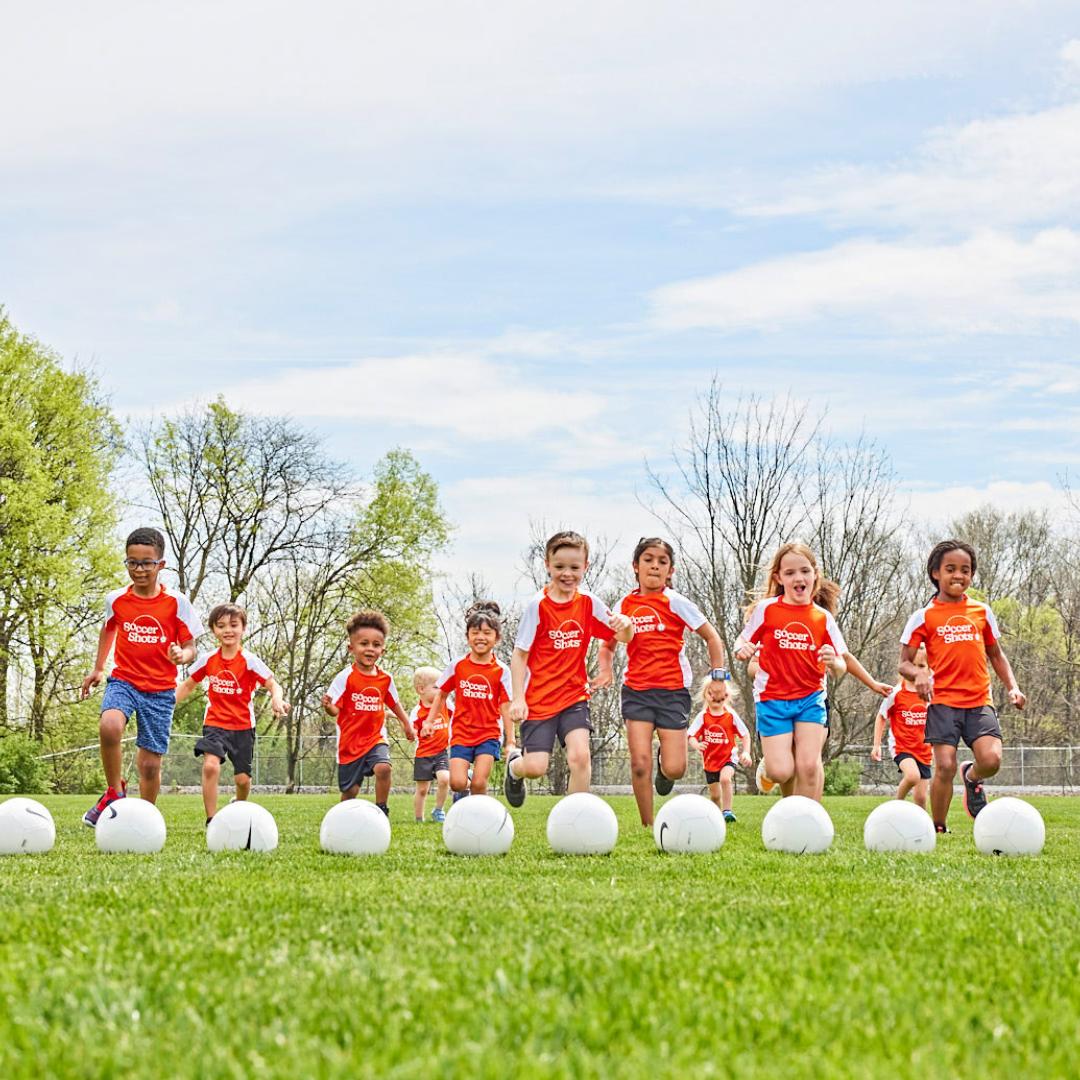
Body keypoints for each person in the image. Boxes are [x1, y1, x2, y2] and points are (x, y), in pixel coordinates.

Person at [734, 542, 890, 800]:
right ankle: (772, 763)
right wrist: (742, 648)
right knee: (782, 771)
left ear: (815, 574)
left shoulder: (823, 618)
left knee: (808, 765)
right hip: (772, 699)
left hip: (810, 698)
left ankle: (808, 818)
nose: (799, 578)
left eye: (805, 571)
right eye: (790, 573)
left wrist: (834, 663)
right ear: (779, 578)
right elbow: (742, 639)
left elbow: (842, 663)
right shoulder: (767, 610)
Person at [599, 536, 729, 826]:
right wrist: (606, 670)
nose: (655, 566)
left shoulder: (676, 602)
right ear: (636, 566)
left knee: (676, 768)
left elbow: (712, 638)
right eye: (648, 560)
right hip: (636, 692)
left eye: (662, 562)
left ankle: (663, 765)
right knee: (638, 763)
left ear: (671, 570)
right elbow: (606, 645)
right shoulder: (624, 604)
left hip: (672, 693)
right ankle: (648, 825)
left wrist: (718, 677)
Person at [80, 527, 203, 826]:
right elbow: (109, 628)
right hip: (124, 680)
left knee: (149, 766)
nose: (139, 569)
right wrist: (98, 668)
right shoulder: (116, 599)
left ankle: (145, 821)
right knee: (110, 726)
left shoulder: (177, 603)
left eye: (147, 563)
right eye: (132, 562)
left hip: (160, 690)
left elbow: (192, 647)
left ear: (161, 564)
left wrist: (182, 655)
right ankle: (114, 793)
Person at [899, 539, 1025, 831]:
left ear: (971, 574)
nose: (958, 575)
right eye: (951, 569)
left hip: (979, 701)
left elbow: (996, 655)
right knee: (944, 766)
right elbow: (903, 663)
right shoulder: (923, 616)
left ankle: (972, 777)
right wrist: (918, 675)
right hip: (942, 702)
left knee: (991, 760)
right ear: (935, 573)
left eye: (965, 570)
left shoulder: (982, 612)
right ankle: (939, 827)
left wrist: (1013, 687)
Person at [504, 531, 633, 806]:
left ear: (585, 567)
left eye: (574, 567)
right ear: (547, 565)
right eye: (559, 566)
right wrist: (518, 698)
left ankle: (576, 817)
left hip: (574, 696)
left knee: (580, 757)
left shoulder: (588, 603)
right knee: (536, 767)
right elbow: (519, 655)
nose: (567, 573)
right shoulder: (537, 606)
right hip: (538, 700)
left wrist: (627, 624)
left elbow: (622, 636)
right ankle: (515, 768)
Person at [174, 602, 289, 826]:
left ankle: (240, 805)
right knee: (210, 766)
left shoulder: (250, 661)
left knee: (243, 780)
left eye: (234, 625)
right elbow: (187, 685)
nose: (228, 630)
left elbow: (273, 684)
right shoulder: (208, 659)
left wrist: (277, 698)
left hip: (243, 727)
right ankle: (211, 820)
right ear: (213, 630)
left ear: (243, 628)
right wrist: (167, 704)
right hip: (215, 723)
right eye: (221, 625)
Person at [322, 610, 415, 816]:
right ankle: (342, 818)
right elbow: (335, 710)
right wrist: (328, 706)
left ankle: (381, 810)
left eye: (376, 644)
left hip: (375, 738)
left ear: (383, 649)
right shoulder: (345, 677)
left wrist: (407, 724)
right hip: (350, 744)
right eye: (364, 644)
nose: (370, 649)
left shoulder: (385, 679)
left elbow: (394, 703)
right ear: (351, 648)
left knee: (384, 768)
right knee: (350, 792)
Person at [428, 601, 513, 801]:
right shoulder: (457, 666)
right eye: (475, 633)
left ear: (496, 638)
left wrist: (511, 740)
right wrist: (429, 721)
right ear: (468, 637)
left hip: (489, 734)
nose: (480, 637)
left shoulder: (501, 671)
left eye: (487, 633)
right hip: (461, 733)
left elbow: (505, 706)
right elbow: (441, 694)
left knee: (480, 783)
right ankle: (467, 782)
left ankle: (478, 814)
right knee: (456, 783)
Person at [871, 645, 931, 809]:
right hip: (902, 747)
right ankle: (896, 806)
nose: (916, 671)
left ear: (929, 669)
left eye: (921, 666)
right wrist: (876, 745)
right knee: (912, 776)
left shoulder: (930, 694)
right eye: (912, 666)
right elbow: (881, 716)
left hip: (924, 750)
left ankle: (921, 822)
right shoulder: (896, 693)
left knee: (921, 798)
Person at [688, 675, 752, 822]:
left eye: (720, 694)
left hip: (728, 757)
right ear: (705, 695)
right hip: (710, 761)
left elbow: (745, 734)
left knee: (725, 779)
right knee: (715, 796)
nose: (716, 697)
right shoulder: (703, 716)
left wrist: (746, 752)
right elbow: (690, 735)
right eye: (711, 693)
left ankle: (727, 811)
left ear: (726, 695)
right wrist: (697, 744)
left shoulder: (731, 716)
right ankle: (716, 818)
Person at [410, 666, 451, 822]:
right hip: (423, 755)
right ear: (421, 689)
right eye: (436, 687)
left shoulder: (446, 705)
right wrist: (416, 732)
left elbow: (460, 714)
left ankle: (438, 810)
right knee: (422, 789)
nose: (441, 691)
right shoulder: (417, 712)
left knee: (444, 779)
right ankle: (419, 818)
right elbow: (412, 731)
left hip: (441, 752)